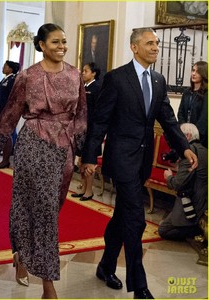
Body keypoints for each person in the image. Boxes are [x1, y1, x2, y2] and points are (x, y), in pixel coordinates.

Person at [81, 27, 198, 299]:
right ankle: (139, 285)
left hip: (142, 161)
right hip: (121, 159)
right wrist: (89, 157)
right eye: (150, 43)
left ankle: (106, 266)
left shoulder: (158, 80)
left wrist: (185, 148)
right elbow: (100, 121)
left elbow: (168, 119)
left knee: (123, 215)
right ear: (134, 47)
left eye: (157, 43)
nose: (156, 47)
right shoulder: (116, 78)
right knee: (136, 218)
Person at [0, 23, 87, 299]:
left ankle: (21, 255)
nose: (62, 46)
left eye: (64, 41)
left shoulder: (75, 75)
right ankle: (48, 285)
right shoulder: (28, 76)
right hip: (33, 146)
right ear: (41, 45)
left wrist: (83, 154)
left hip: (64, 148)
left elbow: (82, 116)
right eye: (55, 42)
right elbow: (9, 116)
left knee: (47, 209)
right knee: (44, 214)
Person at [158, 123, 207, 241]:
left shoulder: (190, 153)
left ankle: (197, 229)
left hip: (194, 207)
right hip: (204, 203)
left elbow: (176, 184)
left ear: (188, 136)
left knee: (163, 230)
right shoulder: (204, 150)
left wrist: (168, 177)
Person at [71, 62, 101, 201]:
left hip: (91, 132)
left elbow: (97, 112)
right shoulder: (82, 87)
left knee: (89, 162)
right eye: (82, 70)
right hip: (81, 130)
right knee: (81, 162)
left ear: (93, 73)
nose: (83, 73)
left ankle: (89, 191)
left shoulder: (96, 88)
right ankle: (83, 188)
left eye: (86, 71)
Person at [0, 60, 20, 169]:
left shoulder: (13, 80)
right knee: (4, 134)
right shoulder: (6, 79)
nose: (3, 67)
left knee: (7, 135)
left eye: (5, 66)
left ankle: (6, 160)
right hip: (2, 110)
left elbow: (13, 97)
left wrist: (8, 111)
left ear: (10, 68)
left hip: (8, 111)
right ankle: (5, 155)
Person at [177, 61, 208, 148]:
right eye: (193, 70)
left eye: (197, 72)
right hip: (184, 135)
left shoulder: (206, 94)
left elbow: (204, 118)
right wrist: (184, 130)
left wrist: (193, 133)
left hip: (200, 138)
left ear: (203, 74)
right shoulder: (187, 92)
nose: (193, 74)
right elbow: (180, 113)